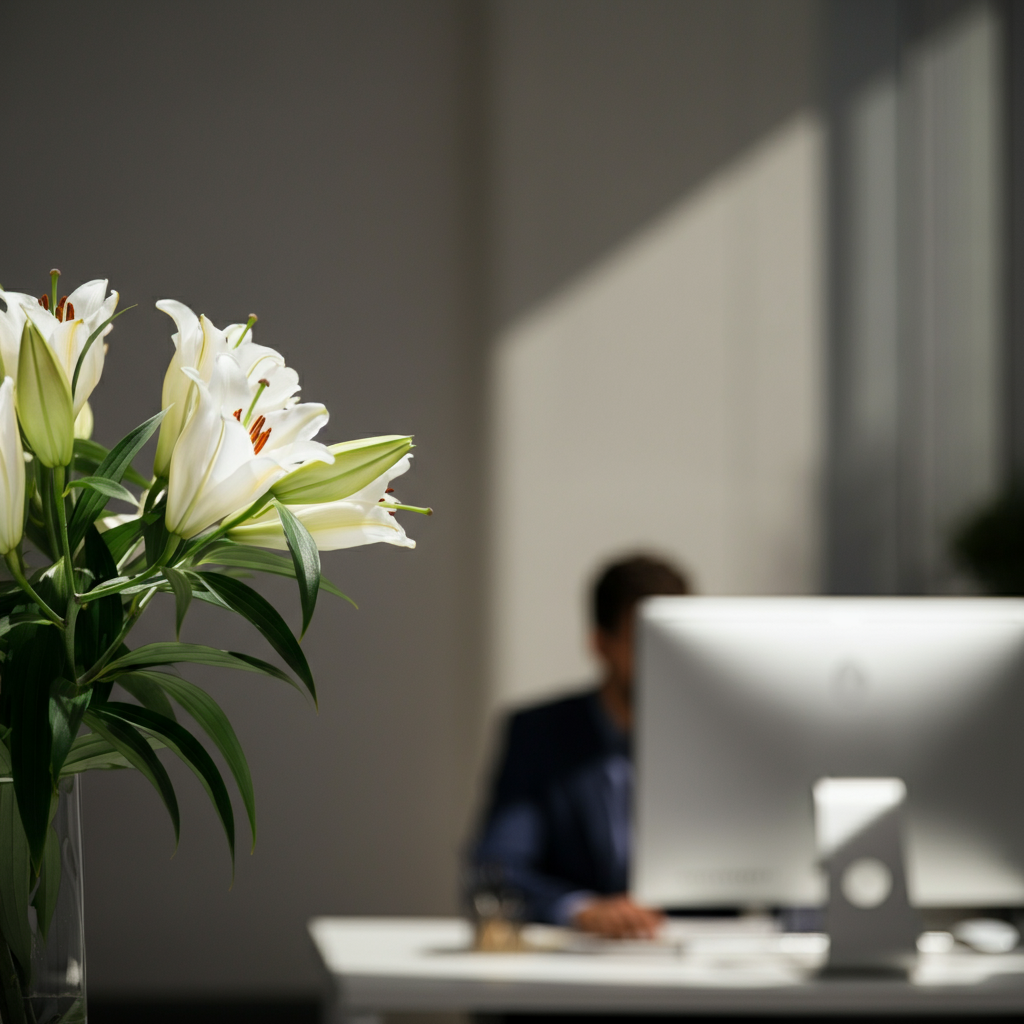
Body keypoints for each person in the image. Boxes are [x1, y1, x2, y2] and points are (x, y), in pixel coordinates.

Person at [471, 554, 691, 939]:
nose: (662, 659)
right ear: (601, 644)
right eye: (643, 641)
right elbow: (499, 868)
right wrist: (582, 909)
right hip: (576, 975)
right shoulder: (540, 734)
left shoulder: (715, 742)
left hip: (704, 970)